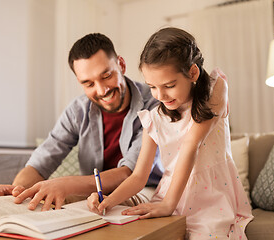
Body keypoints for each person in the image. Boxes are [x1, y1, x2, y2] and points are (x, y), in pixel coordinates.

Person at [87, 27, 253, 239]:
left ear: (193, 73)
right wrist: (108, 201)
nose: (160, 95)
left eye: (169, 85)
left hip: (210, 196)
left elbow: (191, 143)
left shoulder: (215, 89)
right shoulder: (155, 117)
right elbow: (139, 176)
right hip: (168, 193)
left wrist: (168, 205)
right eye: (152, 87)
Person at [0, 33, 163, 211]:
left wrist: (66, 183)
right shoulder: (78, 110)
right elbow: (43, 159)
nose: (101, 90)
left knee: (110, 203)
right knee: (47, 203)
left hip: (144, 188)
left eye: (106, 76)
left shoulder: (154, 103)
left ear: (121, 65)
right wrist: (17, 191)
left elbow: (129, 173)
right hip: (93, 191)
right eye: (88, 84)